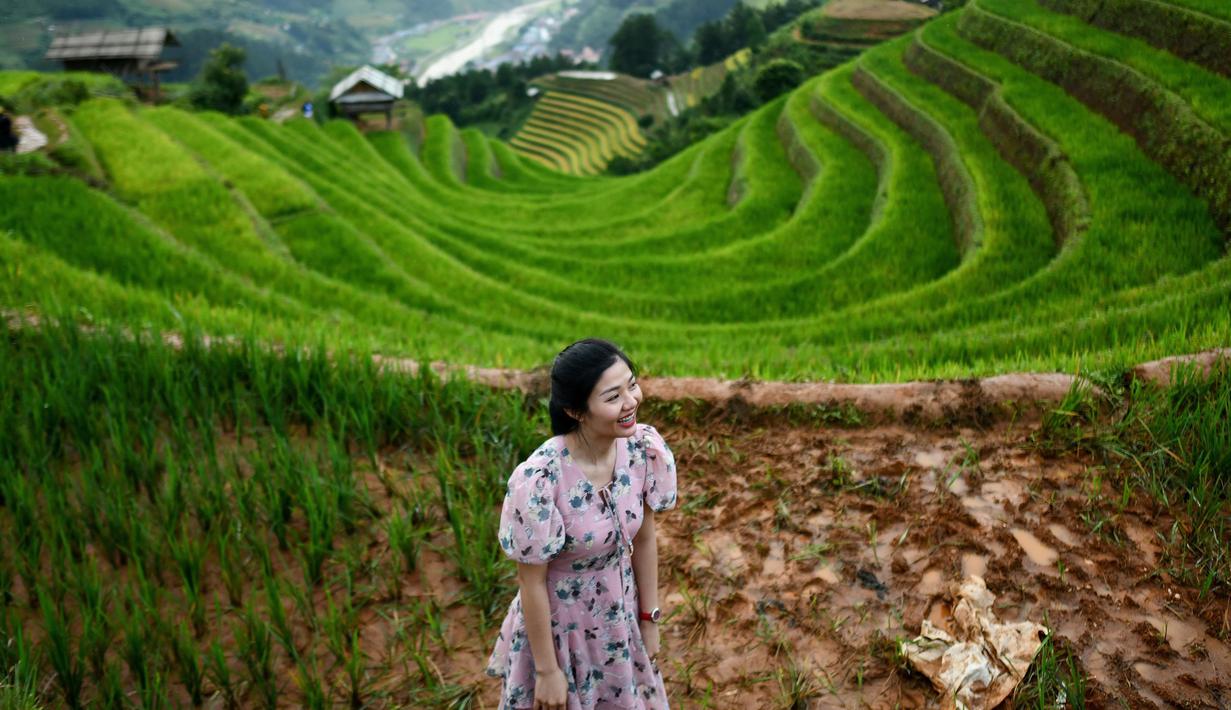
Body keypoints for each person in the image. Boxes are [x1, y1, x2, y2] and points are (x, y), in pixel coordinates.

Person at [486, 338, 678, 709]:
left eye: (632, 384)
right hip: (561, 633)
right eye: (612, 397)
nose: (631, 402)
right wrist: (547, 671)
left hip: (620, 621)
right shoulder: (541, 480)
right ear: (575, 410)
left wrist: (649, 618)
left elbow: (646, 539)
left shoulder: (641, 449)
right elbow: (531, 581)